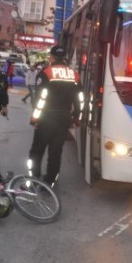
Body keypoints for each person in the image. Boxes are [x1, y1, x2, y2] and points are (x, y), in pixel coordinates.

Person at [26, 45, 82, 187]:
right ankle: (50, 181)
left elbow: (40, 99)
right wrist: (77, 118)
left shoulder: (46, 73)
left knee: (37, 150)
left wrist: (34, 118)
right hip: (63, 120)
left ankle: (33, 178)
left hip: (46, 118)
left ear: (51, 57)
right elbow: (80, 99)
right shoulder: (74, 75)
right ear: (64, 58)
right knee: (56, 152)